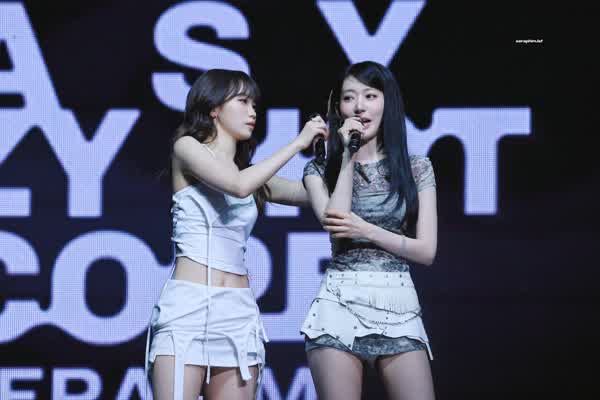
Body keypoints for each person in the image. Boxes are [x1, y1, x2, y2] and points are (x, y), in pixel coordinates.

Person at [145, 69, 327, 400]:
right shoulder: (187, 148)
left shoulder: (252, 175)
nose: (252, 111)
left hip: (238, 312)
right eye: (242, 101)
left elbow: (310, 195)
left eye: (254, 104)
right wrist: (298, 143)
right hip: (188, 308)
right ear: (214, 108)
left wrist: (347, 152)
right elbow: (238, 187)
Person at [300, 61, 438, 400]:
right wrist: (348, 154)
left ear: (387, 103)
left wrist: (366, 229)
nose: (359, 106)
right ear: (338, 110)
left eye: (370, 96)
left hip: (399, 304)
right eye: (349, 98)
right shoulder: (319, 170)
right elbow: (336, 224)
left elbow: (426, 251)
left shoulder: (417, 168)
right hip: (339, 304)